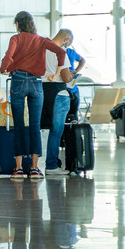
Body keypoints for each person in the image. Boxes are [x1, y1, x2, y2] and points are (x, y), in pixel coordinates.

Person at [0, 12, 70, 179]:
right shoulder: (41, 40)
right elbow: (61, 52)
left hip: (18, 81)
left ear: (18, 24)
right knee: (35, 125)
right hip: (37, 83)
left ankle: (18, 169)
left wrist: (3, 68)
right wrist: (59, 69)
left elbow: (9, 56)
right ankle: (35, 168)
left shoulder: (15, 39)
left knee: (18, 124)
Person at [42, 31, 74, 176]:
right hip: (58, 93)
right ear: (65, 39)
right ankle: (52, 165)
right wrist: (72, 75)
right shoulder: (60, 52)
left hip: (43, 91)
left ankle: (36, 164)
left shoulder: (42, 48)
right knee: (56, 130)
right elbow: (66, 77)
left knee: (43, 127)